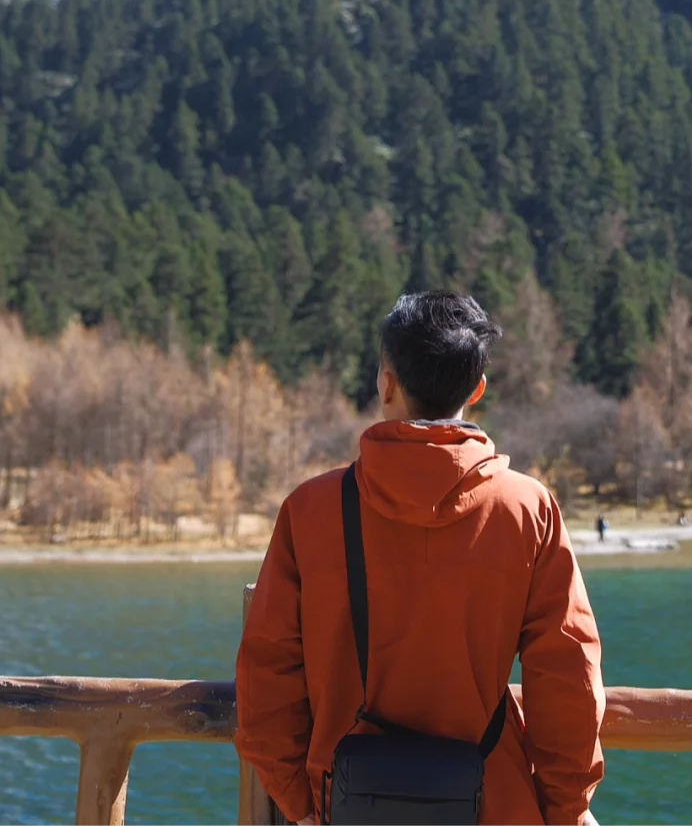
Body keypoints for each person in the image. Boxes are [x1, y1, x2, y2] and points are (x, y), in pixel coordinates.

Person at [236, 290, 605, 826]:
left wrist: (302, 804)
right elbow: (569, 679)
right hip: (493, 806)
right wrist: (566, 810)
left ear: (386, 383)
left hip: (345, 806)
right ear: (476, 389)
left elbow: (266, 680)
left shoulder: (310, 510)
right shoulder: (528, 508)